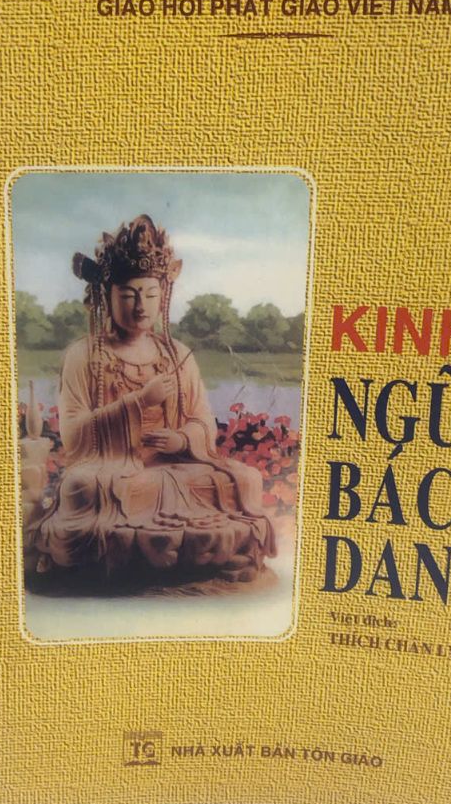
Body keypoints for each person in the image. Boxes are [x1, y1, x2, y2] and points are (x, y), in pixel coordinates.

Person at [25, 214, 276, 592]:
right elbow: (73, 436)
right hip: (112, 474)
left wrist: (183, 439)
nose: (141, 305)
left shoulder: (178, 354)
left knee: (245, 479)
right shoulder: (84, 355)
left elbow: (203, 421)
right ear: (106, 296)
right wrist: (137, 402)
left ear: (163, 297)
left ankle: (172, 556)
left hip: (176, 468)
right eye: (129, 295)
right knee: (80, 488)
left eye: (151, 294)